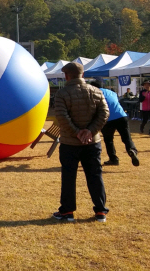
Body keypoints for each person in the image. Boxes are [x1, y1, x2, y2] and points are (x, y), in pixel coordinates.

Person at [52, 62, 110, 223]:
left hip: (70, 143)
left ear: (66, 76)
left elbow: (62, 117)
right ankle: (100, 211)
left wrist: (77, 133)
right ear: (82, 75)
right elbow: (104, 113)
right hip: (92, 142)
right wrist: (90, 131)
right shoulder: (96, 91)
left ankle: (67, 211)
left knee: (69, 177)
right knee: (95, 175)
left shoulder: (62, 94)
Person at [87, 80, 139, 167]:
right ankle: (132, 150)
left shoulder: (94, 93)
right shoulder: (111, 92)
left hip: (107, 119)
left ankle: (113, 159)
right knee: (127, 138)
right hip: (121, 116)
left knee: (109, 140)